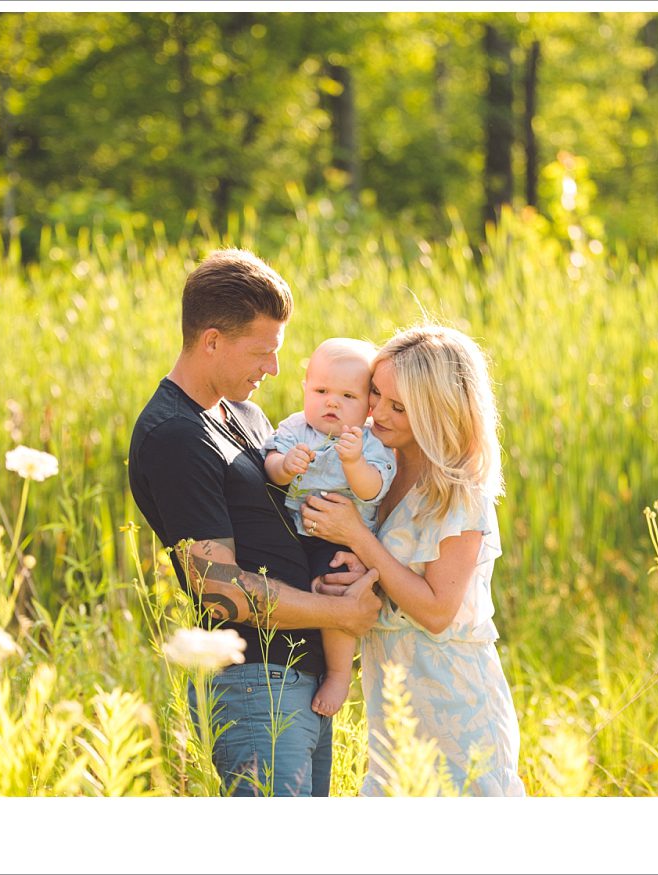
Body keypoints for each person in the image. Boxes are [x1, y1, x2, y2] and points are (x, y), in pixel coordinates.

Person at [127, 248, 382, 797]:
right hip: (255, 684)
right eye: (261, 353)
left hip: (304, 675)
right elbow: (218, 589)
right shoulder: (175, 436)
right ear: (212, 340)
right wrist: (341, 611)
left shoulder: (245, 414)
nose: (274, 370)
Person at [303, 324, 525, 796]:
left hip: (454, 704)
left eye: (398, 407)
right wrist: (341, 584)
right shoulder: (372, 463)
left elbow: (436, 611)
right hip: (393, 702)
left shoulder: (460, 492)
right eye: (376, 394)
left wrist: (358, 539)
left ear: (435, 412)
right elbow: (385, 576)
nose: (377, 413)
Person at [263, 338, 397, 717]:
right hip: (292, 530)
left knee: (338, 588)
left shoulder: (368, 442)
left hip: (336, 542)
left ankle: (339, 673)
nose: (331, 402)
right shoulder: (296, 428)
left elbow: (372, 488)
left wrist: (353, 462)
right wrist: (285, 465)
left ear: (368, 406)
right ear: (305, 388)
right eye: (321, 391)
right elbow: (270, 465)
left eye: (347, 396)